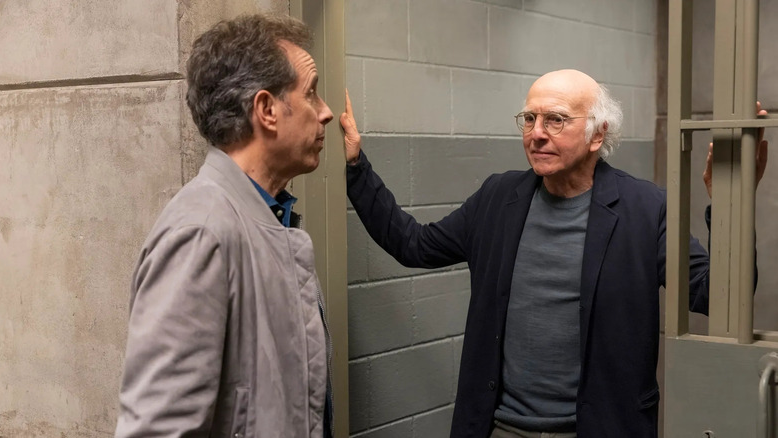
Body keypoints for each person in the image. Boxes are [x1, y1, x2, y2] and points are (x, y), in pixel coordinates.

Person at [338, 70, 767, 438]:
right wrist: (357, 164)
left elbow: (717, 297)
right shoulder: (498, 197)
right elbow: (414, 244)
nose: (537, 132)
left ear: (598, 134)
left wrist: (731, 203)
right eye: (530, 118)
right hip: (500, 427)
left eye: (556, 120)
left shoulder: (646, 209)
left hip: (600, 428)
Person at [115, 14, 335, 438]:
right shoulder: (201, 232)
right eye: (311, 93)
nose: (325, 112)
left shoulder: (267, 217)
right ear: (267, 110)